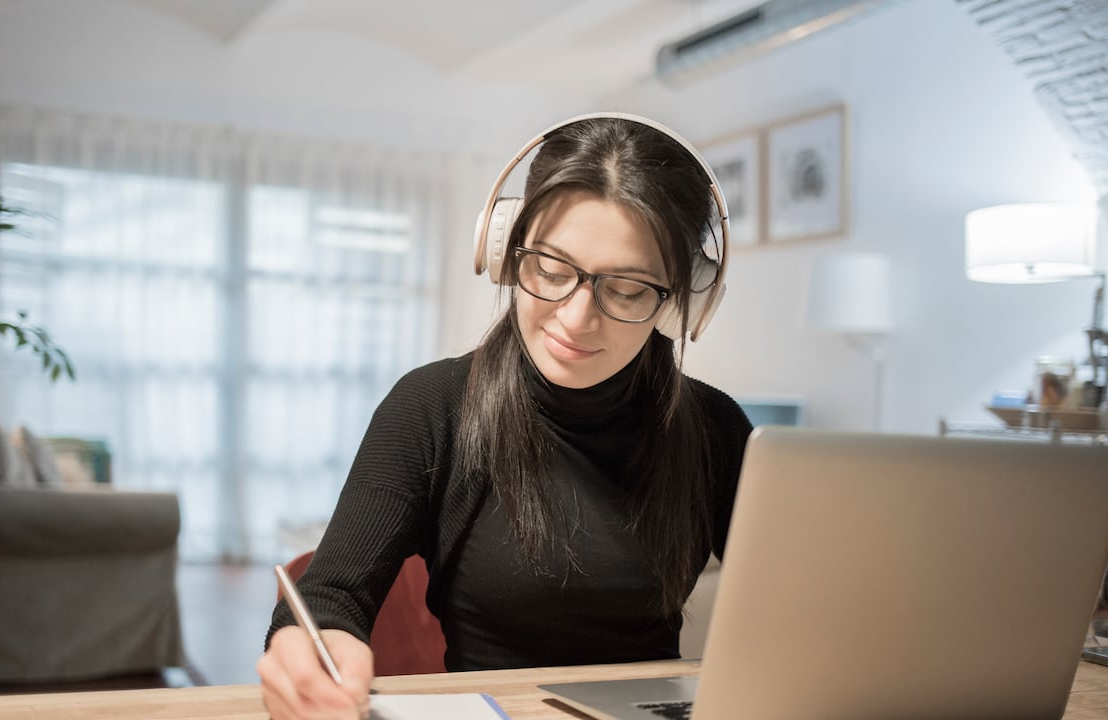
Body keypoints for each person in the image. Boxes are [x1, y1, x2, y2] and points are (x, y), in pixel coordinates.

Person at [257, 113, 753, 720]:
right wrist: (312, 649)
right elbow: (330, 598)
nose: (575, 318)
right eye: (549, 269)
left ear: (685, 298)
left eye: (625, 289)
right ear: (503, 252)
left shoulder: (716, 431)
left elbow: (800, 608)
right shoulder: (432, 407)